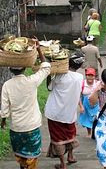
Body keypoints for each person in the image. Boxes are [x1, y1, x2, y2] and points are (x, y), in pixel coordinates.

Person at [1, 39, 51, 169]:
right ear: (24, 68)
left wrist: (3, 121)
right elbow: (46, 67)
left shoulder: (7, 85)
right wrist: (39, 49)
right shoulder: (31, 81)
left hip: (16, 127)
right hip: (32, 126)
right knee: (32, 155)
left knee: (20, 154)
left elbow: (4, 109)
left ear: (10, 69)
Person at [44, 51, 85, 169]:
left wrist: (49, 74)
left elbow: (49, 87)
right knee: (69, 135)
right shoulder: (80, 77)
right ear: (80, 66)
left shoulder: (60, 75)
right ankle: (70, 156)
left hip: (55, 113)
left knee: (58, 138)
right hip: (70, 114)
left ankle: (62, 164)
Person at [79, 67, 99, 138]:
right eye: (88, 75)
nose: (90, 77)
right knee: (87, 118)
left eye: (92, 75)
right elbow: (78, 95)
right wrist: (81, 106)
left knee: (96, 119)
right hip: (86, 103)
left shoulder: (97, 83)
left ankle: (95, 133)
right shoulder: (82, 84)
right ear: (86, 75)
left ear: (94, 76)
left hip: (96, 104)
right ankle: (89, 133)